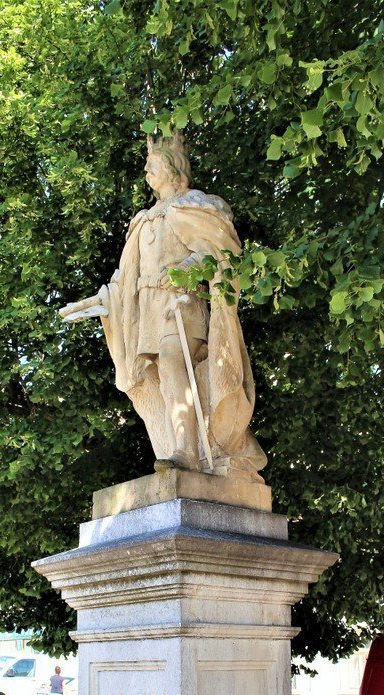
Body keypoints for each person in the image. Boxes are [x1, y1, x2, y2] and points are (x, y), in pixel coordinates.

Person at [60, 132, 267, 479]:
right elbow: (125, 277)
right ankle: (186, 447)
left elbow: (218, 251)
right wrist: (102, 298)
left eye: (152, 165)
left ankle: (186, 452)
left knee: (173, 362)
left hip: (183, 305)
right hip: (150, 313)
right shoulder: (142, 220)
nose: (145, 171)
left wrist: (189, 269)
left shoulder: (193, 206)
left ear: (173, 169)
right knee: (157, 378)